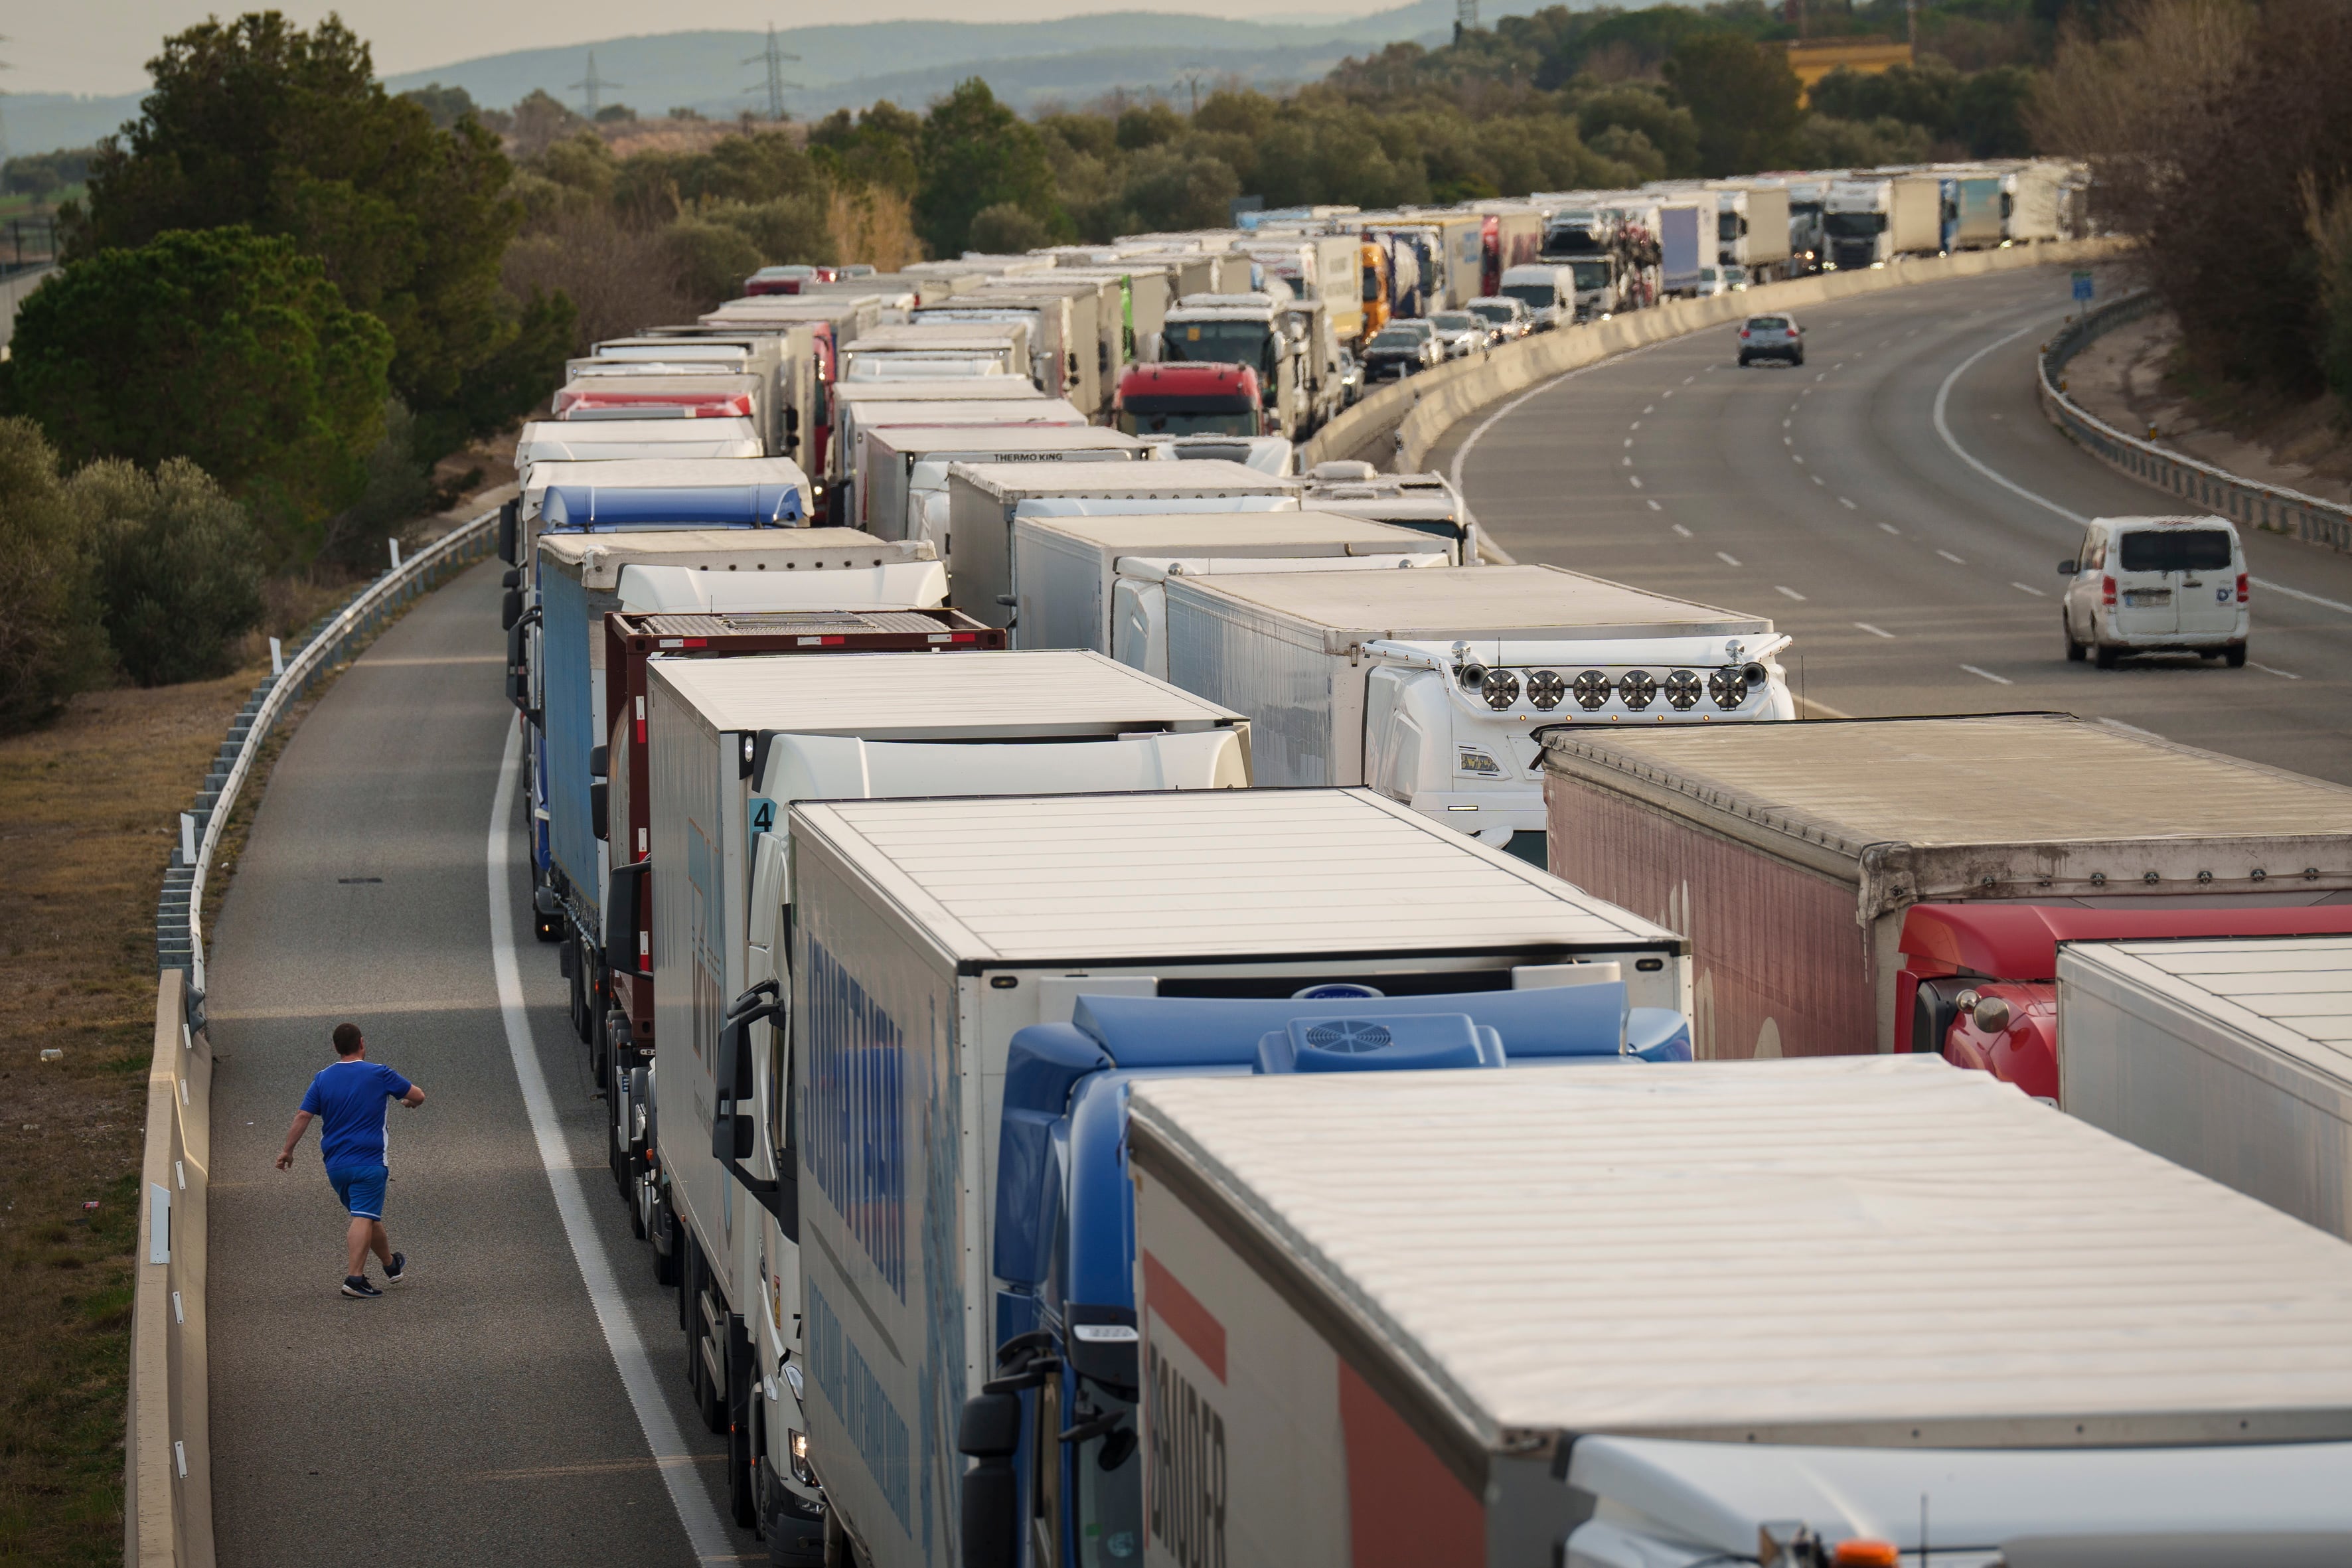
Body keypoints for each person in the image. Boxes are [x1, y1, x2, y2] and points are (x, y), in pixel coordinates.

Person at [275, 1022, 425, 1298]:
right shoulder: (379, 1073)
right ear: (362, 1044)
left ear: (336, 1048)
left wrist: (288, 1150)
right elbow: (418, 1095)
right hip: (369, 1162)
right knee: (362, 1217)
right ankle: (354, 1279)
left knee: (367, 1215)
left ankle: (391, 1266)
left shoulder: (322, 1078)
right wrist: (408, 1102)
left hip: (336, 1166)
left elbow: (303, 1116)